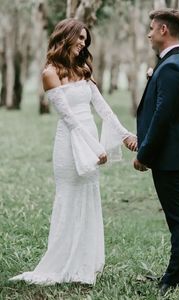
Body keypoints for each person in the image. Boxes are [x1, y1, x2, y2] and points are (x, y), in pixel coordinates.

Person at [10, 18, 136, 285]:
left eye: (84, 39)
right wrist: (95, 148)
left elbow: (103, 108)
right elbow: (69, 119)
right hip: (70, 143)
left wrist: (125, 135)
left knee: (89, 199)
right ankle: (61, 263)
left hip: (88, 135)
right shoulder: (50, 73)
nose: (82, 43)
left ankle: (84, 263)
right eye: (79, 37)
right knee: (68, 200)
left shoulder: (84, 69)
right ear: (65, 36)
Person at [134, 9, 179, 296]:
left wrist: (144, 153)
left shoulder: (172, 66)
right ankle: (174, 276)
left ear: (163, 30)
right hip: (176, 154)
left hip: (171, 157)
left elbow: (163, 116)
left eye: (151, 28)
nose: (148, 33)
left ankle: (174, 282)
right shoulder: (178, 62)